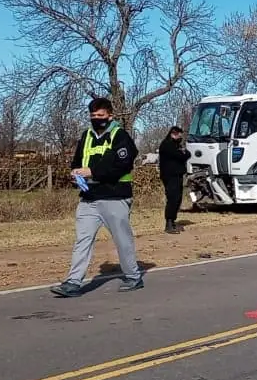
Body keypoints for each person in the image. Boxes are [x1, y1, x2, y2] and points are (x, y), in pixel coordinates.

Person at [50, 97, 142, 297]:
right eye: (93, 116)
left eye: (100, 116)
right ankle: (73, 282)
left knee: (122, 240)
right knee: (82, 240)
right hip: (89, 198)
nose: (96, 119)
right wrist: (75, 173)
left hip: (115, 197)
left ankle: (133, 276)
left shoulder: (120, 136)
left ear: (110, 115)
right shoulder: (86, 136)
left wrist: (91, 171)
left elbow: (121, 164)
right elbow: (77, 161)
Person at [157, 125, 190, 234]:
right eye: (179, 135)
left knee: (178, 199)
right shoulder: (167, 145)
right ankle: (169, 223)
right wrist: (183, 153)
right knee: (172, 198)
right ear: (173, 134)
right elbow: (181, 156)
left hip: (178, 175)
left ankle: (173, 220)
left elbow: (187, 154)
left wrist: (184, 153)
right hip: (170, 176)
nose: (180, 137)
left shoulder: (176, 145)